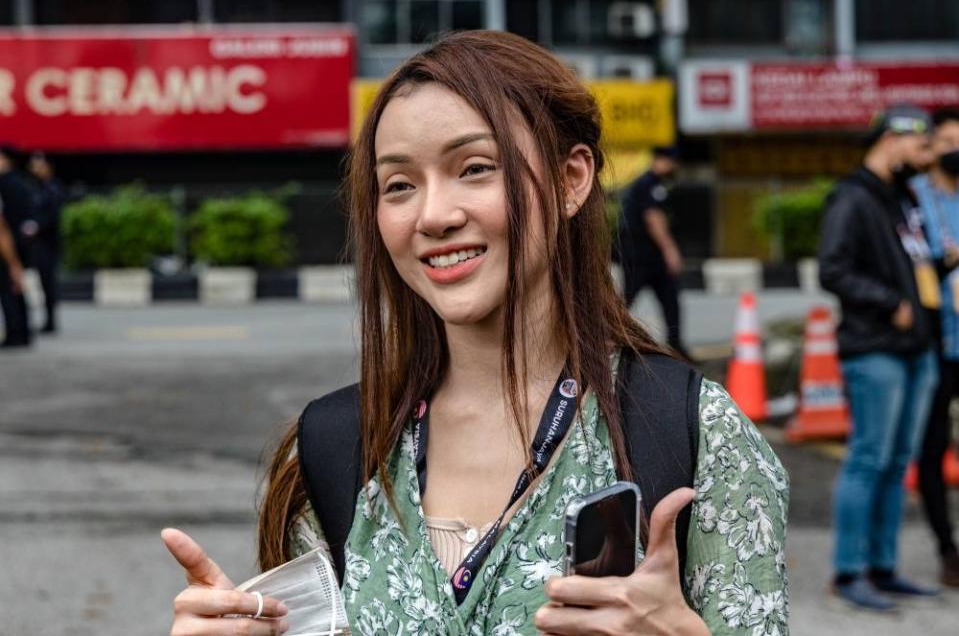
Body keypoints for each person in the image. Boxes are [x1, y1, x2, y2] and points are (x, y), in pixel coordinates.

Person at [162, 31, 789, 636]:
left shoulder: (693, 434)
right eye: (400, 185)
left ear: (571, 180)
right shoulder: (332, 451)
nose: (435, 216)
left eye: (475, 168)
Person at [819, 104, 941, 612]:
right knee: (869, 458)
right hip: (875, 351)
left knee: (896, 463)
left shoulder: (902, 197)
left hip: (917, 349)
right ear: (893, 138)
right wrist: (890, 303)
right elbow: (834, 270)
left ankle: (882, 568)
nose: (928, 157)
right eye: (923, 146)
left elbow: (915, 261)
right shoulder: (852, 198)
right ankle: (850, 571)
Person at [910, 106, 959, 587]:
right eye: (946, 142)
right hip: (935, 344)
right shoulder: (913, 198)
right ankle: (947, 547)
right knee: (933, 448)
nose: (954, 151)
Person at [618, 145, 689, 359]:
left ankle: (676, 345)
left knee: (670, 299)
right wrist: (670, 249)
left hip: (645, 256)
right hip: (642, 256)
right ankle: (604, 342)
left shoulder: (649, 183)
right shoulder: (650, 184)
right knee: (624, 303)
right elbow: (653, 218)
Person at [24, 152, 65, 334]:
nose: (35, 169)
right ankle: (47, 319)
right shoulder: (34, 187)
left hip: (49, 242)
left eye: (39, 165)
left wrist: (36, 226)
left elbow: (53, 216)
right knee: (41, 282)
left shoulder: (54, 188)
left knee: (48, 282)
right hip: (36, 243)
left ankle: (51, 320)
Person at [0, 144, 34, 348]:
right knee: (17, 288)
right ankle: (22, 332)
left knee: (9, 289)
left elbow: (2, 227)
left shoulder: (5, 183)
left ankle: (16, 333)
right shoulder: (22, 183)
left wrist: (12, 260)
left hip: (7, 246)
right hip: (19, 244)